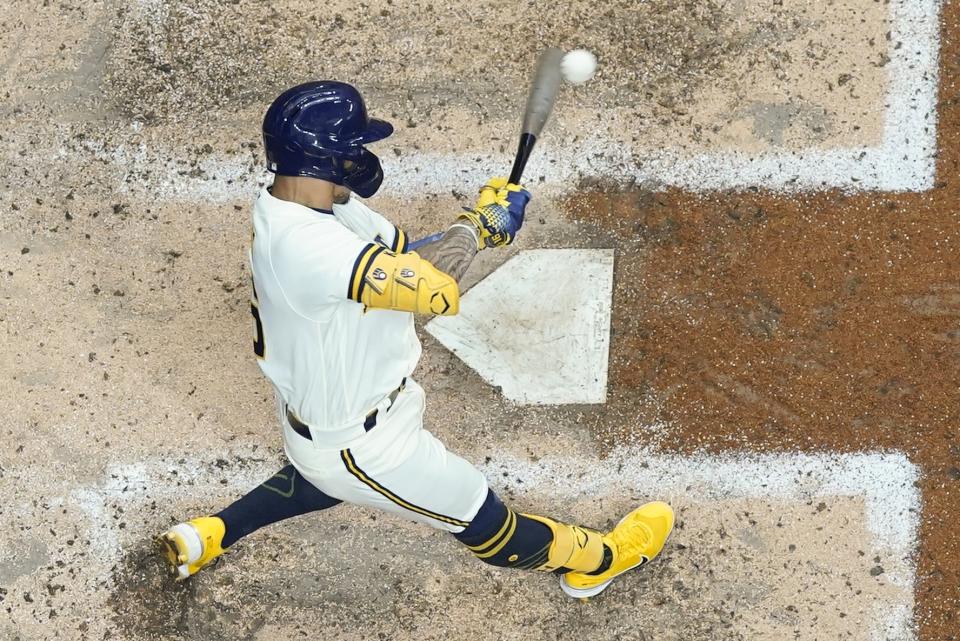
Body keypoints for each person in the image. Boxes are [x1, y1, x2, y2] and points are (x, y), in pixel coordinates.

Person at [157, 80, 673, 599]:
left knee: (324, 479)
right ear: (327, 156)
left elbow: (406, 258)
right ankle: (597, 562)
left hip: (330, 421)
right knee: (485, 522)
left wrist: (476, 225)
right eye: (353, 146)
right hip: (365, 444)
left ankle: (214, 533)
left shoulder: (313, 205)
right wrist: (478, 227)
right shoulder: (304, 247)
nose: (362, 155)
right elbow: (434, 290)